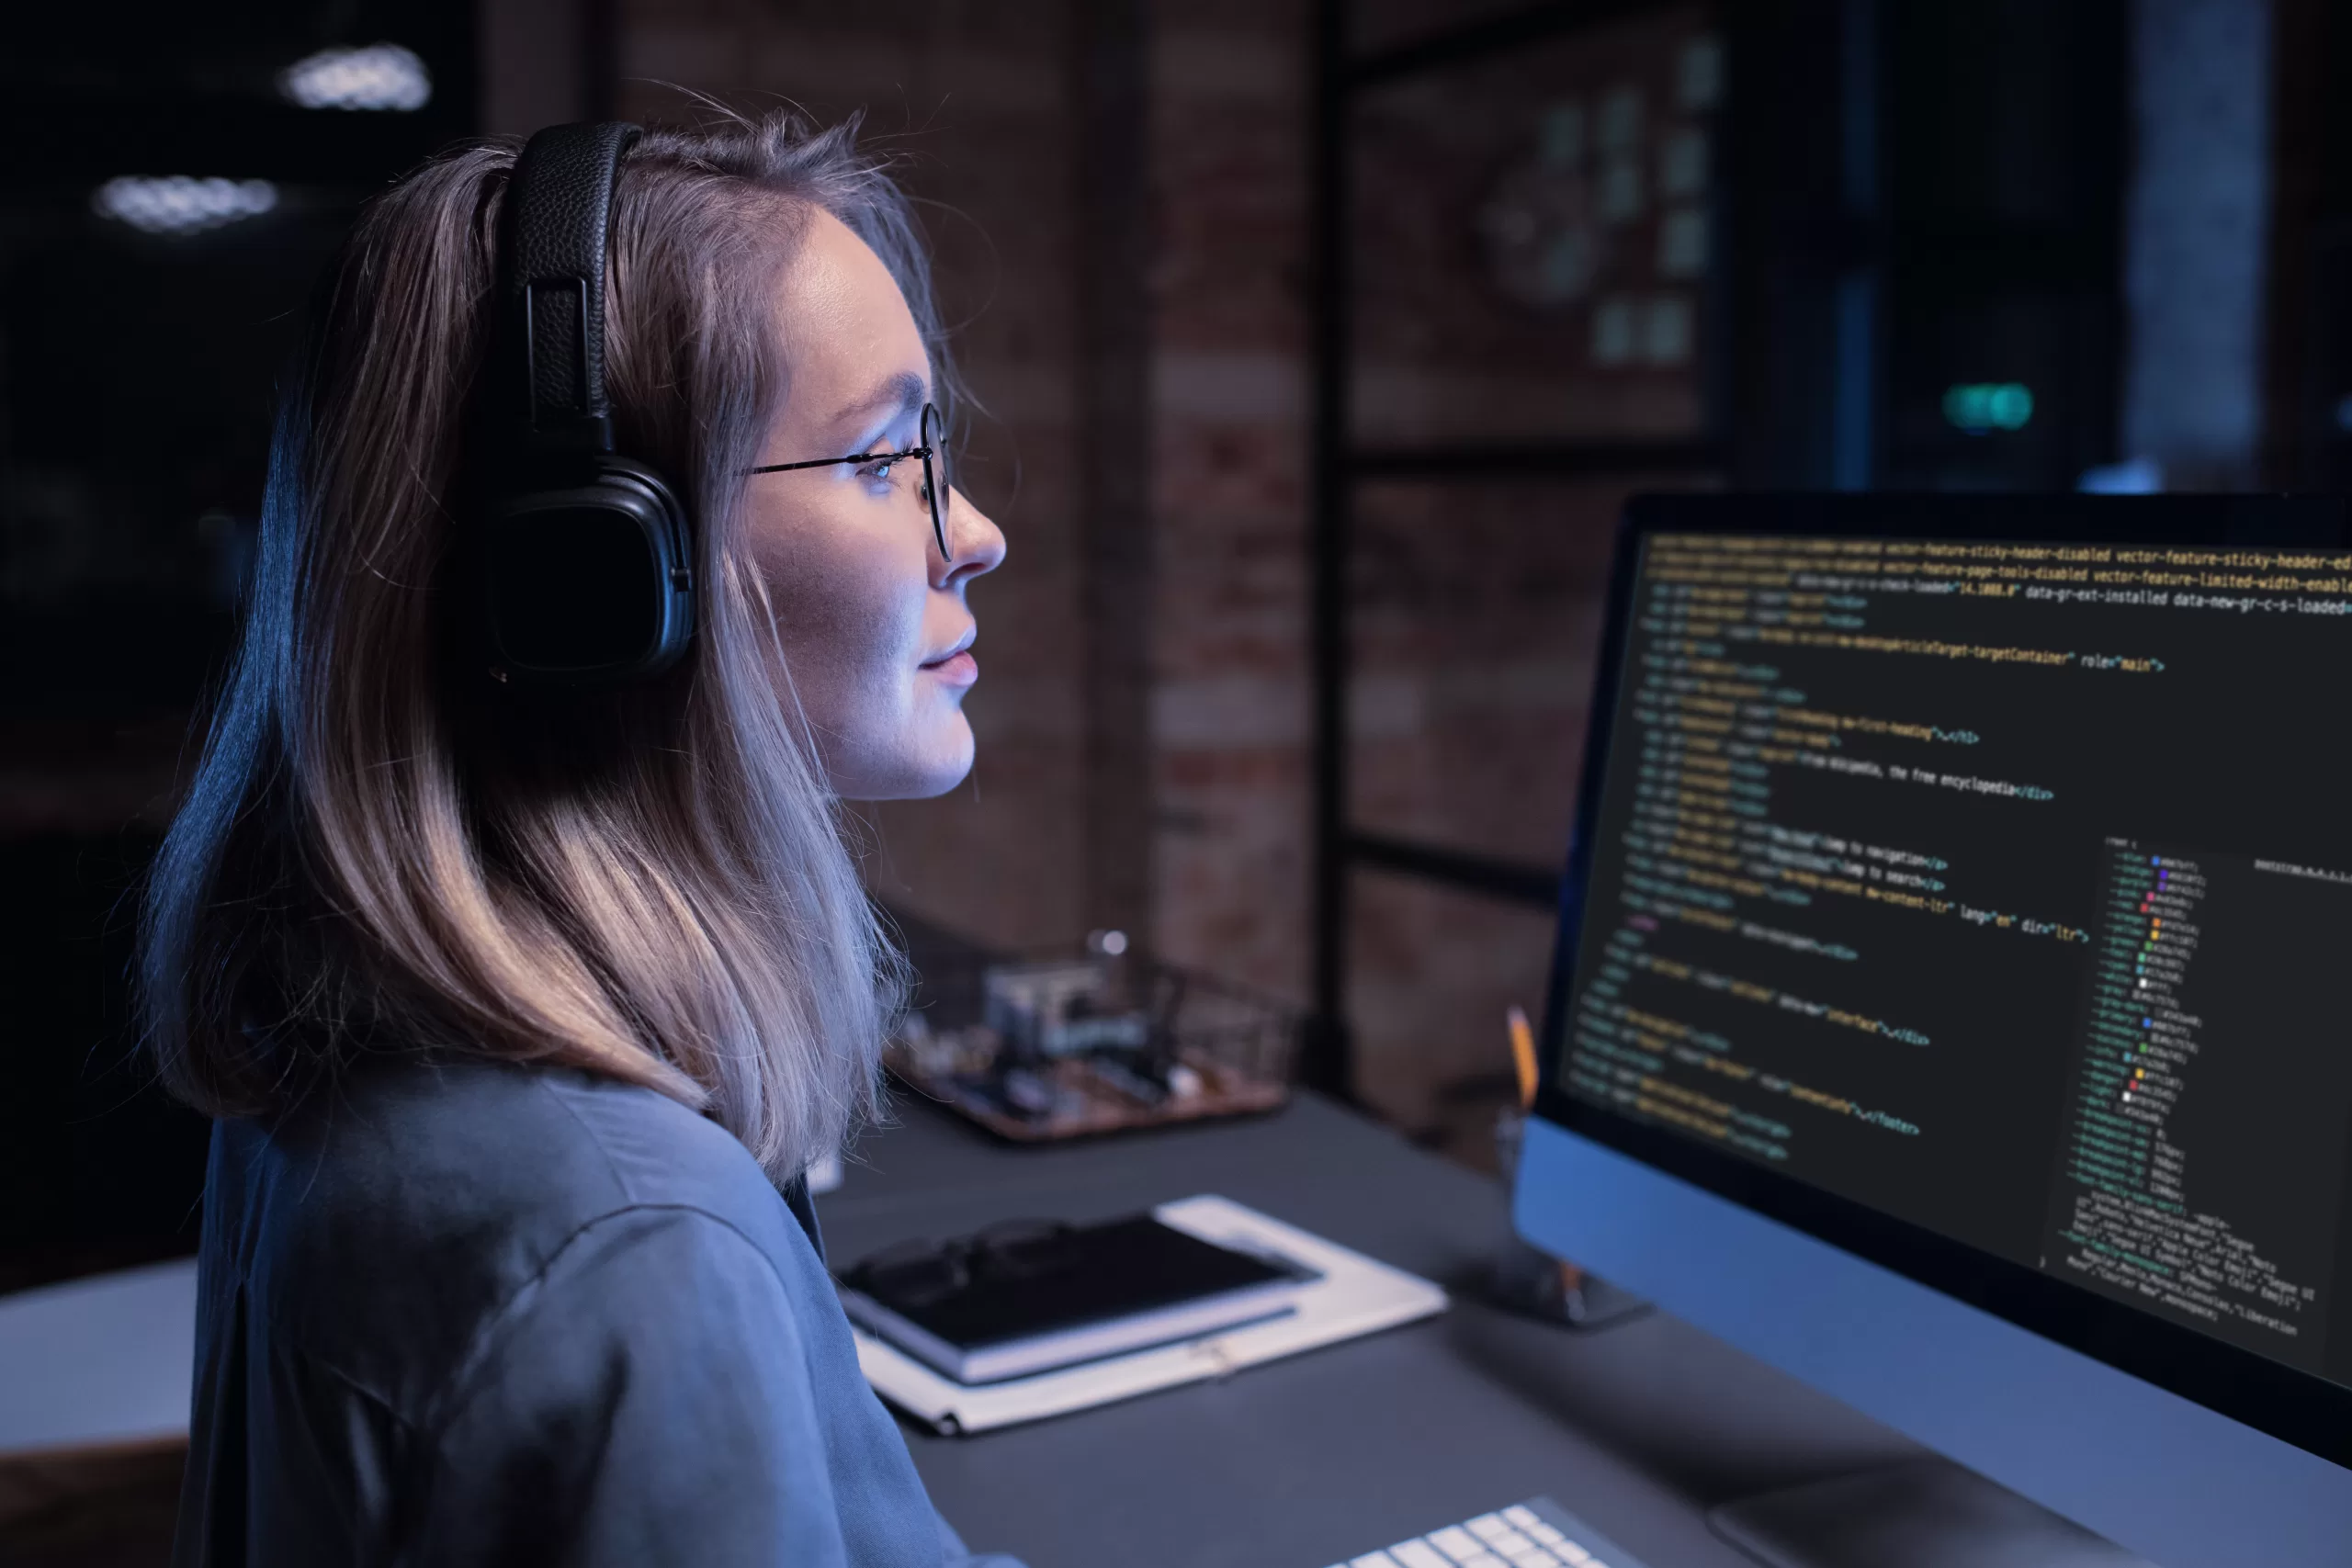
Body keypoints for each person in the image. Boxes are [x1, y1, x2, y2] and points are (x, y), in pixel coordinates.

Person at [139, 110, 1015, 1565]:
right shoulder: (631, 1249)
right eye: (881, 459)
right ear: (599, 576)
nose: (970, 527)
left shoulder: (355, 1029)